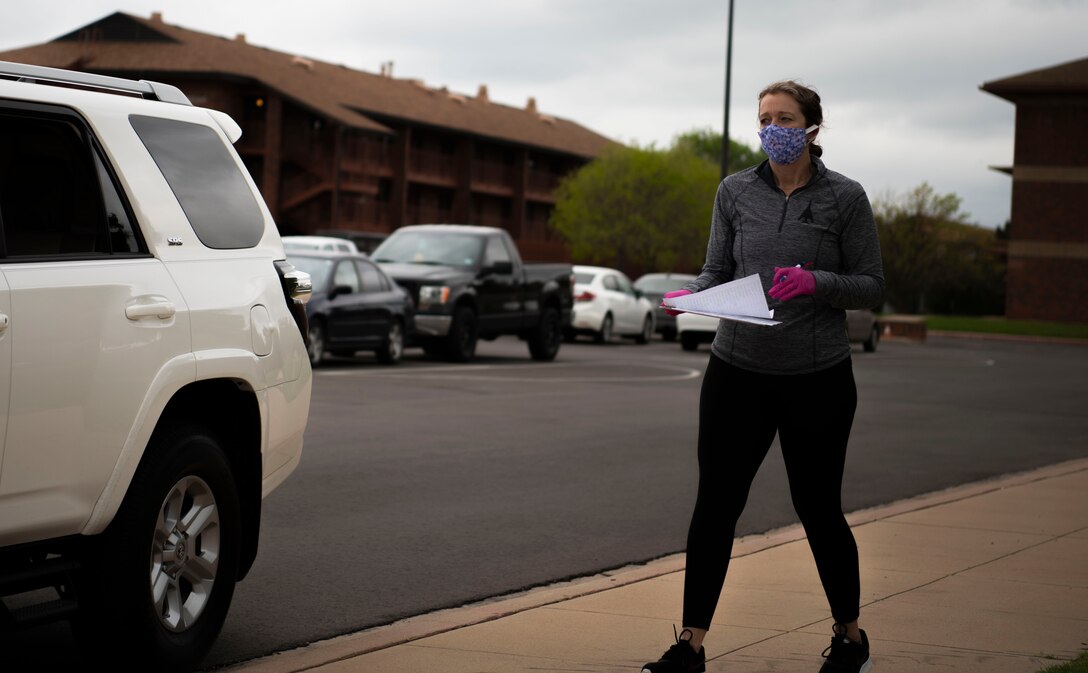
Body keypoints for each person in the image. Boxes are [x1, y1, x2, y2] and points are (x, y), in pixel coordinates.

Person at [641, 80, 884, 673]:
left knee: (818, 506)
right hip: (737, 373)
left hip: (818, 378)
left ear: (811, 128)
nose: (773, 127)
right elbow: (716, 271)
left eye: (785, 117)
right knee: (715, 506)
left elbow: (873, 286)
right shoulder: (735, 191)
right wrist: (687, 297)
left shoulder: (844, 198)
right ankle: (690, 645)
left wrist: (817, 283)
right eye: (765, 118)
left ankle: (850, 638)